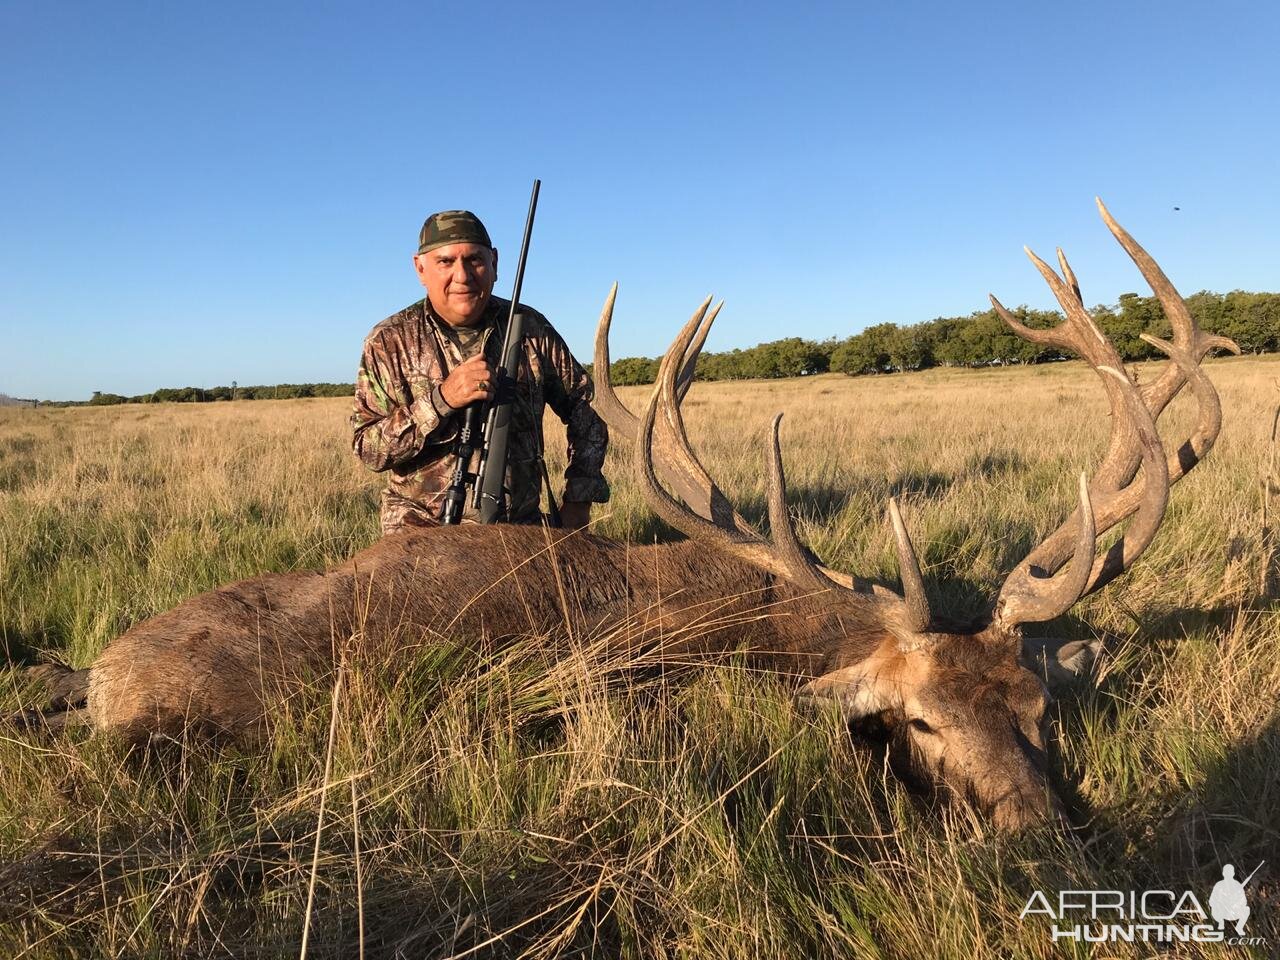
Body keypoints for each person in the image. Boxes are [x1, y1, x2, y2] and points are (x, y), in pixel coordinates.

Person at [352, 209, 609, 535]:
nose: (462, 275)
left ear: (494, 263)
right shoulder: (387, 342)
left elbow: (586, 409)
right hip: (418, 535)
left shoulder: (531, 329)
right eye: (445, 262)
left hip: (519, 533)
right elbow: (368, 449)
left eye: (474, 260)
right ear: (420, 268)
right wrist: (440, 401)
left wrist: (578, 501)